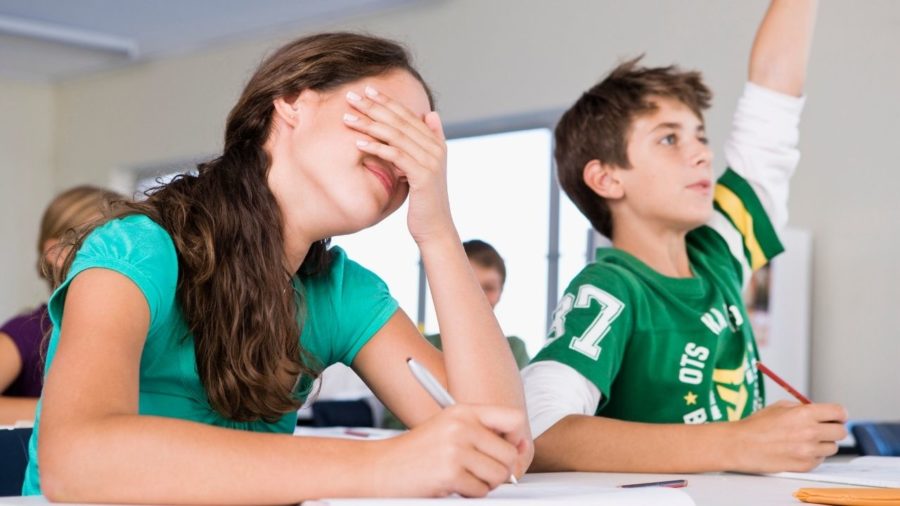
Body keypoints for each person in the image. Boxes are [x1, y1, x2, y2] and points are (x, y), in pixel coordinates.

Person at [24, 32, 531, 503]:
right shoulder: (137, 249)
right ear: (293, 101)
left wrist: (438, 230)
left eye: (421, 147)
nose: (404, 159)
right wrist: (384, 463)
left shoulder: (338, 291)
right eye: (388, 121)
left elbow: (498, 445)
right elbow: (76, 459)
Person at [524, 0, 847, 474]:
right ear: (608, 179)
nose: (701, 154)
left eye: (700, 136)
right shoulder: (611, 289)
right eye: (669, 139)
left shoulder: (719, 250)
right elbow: (539, 433)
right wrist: (736, 444)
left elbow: (773, 106)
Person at [0, 185, 120, 425]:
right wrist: (79, 413)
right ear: (56, 253)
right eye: (103, 245)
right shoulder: (27, 331)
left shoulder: (117, 333)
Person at [382, 239, 530, 429]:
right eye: (471, 285)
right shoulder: (420, 344)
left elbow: (519, 419)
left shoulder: (514, 348)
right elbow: (393, 421)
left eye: (489, 288)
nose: (479, 297)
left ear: (500, 292)